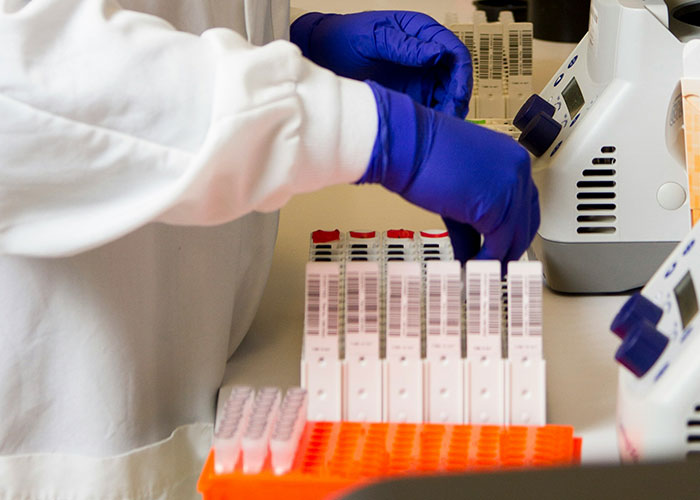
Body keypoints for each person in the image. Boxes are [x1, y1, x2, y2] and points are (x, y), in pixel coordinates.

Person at [0, 1, 539, 498]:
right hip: (71, 424)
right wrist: (346, 121)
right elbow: (23, 74)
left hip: (207, 364)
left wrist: (289, 53)